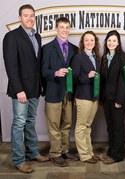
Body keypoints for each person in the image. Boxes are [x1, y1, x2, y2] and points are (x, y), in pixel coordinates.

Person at [3, 4, 49, 174]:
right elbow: (11, 66)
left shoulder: (37, 36)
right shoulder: (11, 36)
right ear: (19, 17)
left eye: (32, 16)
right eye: (26, 15)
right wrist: (18, 89)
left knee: (30, 122)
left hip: (35, 88)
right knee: (19, 123)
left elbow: (36, 64)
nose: (30, 18)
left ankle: (33, 153)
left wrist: (41, 86)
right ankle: (18, 160)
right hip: (20, 89)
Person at [41, 17, 79, 167]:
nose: (64, 30)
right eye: (61, 27)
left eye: (67, 27)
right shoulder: (47, 48)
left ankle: (64, 150)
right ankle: (55, 153)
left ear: (69, 29)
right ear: (56, 29)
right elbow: (43, 71)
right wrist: (55, 73)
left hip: (68, 93)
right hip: (53, 91)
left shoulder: (75, 49)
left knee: (67, 123)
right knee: (54, 125)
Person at [71, 31, 101, 164]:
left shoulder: (97, 58)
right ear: (83, 42)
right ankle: (84, 155)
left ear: (95, 43)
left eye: (92, 40)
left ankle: (90, 152)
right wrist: (87, 76)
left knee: (88, 126)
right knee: (81, 127)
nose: (89, 43)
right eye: (87, 40)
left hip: (94, 97)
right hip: (83, 97)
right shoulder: (78, 58)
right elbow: (74, 78)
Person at [100, 30, 125, 164]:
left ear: (118, 43)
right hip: (107, 98)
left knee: (118, 127)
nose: (111, 43)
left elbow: (123, 81)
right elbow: (103, 79)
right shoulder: (105, 57)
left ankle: (117, 155)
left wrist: (119, 99)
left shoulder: (123, 57)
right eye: (109, 40)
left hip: (117, 99)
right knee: (110, 126)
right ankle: (111, 151)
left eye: (114, 41)